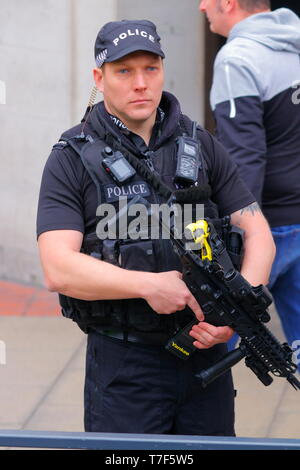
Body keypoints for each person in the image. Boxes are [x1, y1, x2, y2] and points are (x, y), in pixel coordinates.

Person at [36, 19, 275, 435]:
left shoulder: (200, 144)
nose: (141, 83)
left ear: (163, 70)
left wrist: (236, 312)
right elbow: (58, 267)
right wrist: (148, 286)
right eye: (124, 71)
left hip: (206, 359)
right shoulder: (70, 157)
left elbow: (258, 233)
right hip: (126, 369)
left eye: (151, 68)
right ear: (99, 77)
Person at [199, 0, 300, 358]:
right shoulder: (294, 43)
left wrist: (235, 239)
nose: (201, 7)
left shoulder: (237, 58)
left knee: (215, 336)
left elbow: (244, 157)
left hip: (270, 228)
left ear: (227, 3)